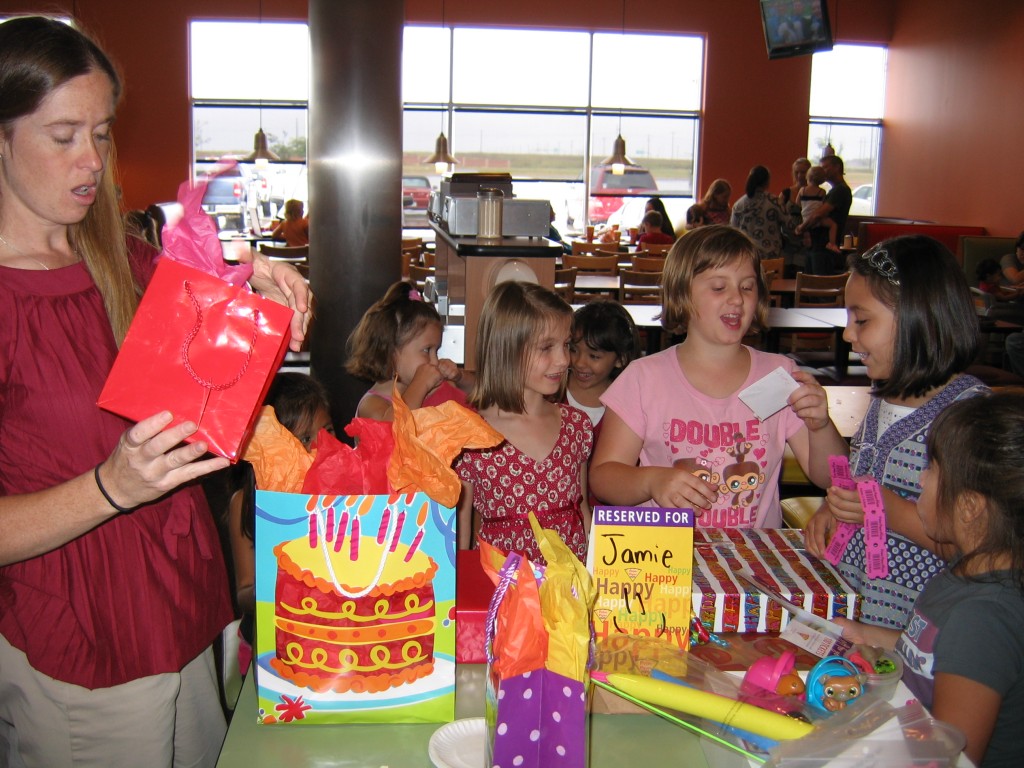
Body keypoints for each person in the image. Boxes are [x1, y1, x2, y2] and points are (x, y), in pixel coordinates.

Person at [0, 15, 312, 768]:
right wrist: (109, 487)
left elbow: (208, 388)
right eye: (64, 135)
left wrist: (257, 292)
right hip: (81, 643)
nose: (93, 162)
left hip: (183, 607)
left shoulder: (120, 257)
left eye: (101, 134)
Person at [589, 225, 846, 528]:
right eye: (719, 287)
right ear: (682, 293)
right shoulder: (644, 379)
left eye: (747, 287)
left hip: (754, 559)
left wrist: (821, 426)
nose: (737, 299)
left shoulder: (779, 376)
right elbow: (603, 477)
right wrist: (650, 480)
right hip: (667, 561)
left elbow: (831, 477)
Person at [804, 237, 987, 629]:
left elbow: (978, 547)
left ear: (919, 317)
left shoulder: (971, 418)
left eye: (862, 320)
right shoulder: (885, 398)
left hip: (918, 630)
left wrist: (892, 512)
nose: (849, 335)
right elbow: (861, 476)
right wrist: (831, 509)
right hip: (860, 612)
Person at [836, 391, 1024, 768]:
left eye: (932, 468)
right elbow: (930, 652)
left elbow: (949, 757)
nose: (921, 477)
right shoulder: (967, 570)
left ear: (969, 507)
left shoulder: (983, 619)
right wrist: (867, 634)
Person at [455, 281, 592, 563]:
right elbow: (462, 532)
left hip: (569, 590)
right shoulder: (470, 435)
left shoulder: (576, 425)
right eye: (546, 348)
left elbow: (583, 510)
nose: (563, 360)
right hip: (503, 587)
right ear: (506, 349)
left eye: (566, 345)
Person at [225, 372, 334, 676]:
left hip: (331, 644)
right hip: (271, 649)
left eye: (327, 430)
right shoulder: (246, 503)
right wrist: (283, 585)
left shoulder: (347, 497)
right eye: (303, 439)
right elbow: (244, 591)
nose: (319, 446)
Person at [345, 280, 469, 420]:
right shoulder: (371, 404)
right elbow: (394, 429)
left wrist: (457, 378)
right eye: (427, 350)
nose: (434, 361)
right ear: (391, 352)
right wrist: (421, 385)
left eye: (437, 351)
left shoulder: (423, 393)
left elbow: (480, 394)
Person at [566, 300, 641, 431]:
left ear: (621, 359)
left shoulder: (626, 405)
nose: (579, 363)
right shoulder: (553, 393)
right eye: (573, 350)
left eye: (594, 356)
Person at [801, 155, 852, 274]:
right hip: (817, 246)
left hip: (823, 248)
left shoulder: (841, 190)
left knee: (819, 286)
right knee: (809, 285)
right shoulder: (831, 191)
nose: (822, 171)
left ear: (836, 167)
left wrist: (801, 227)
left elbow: (819, 214)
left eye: (825, 167)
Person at [729, 165, 789, 261]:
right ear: (767, 182)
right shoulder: (775, 202)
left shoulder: (739, 204)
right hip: (771, 255)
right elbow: (789, 224)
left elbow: (733, 230)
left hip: (746, 255)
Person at [793, 165, 840, 253]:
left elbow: (797, 203)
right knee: (833, 225)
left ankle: (806, 239)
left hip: (805, 217)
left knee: (807, 233)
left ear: (808, 177)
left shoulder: (802, 190)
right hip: (817, 219)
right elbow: (823, 206)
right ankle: (832, 244)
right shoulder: (821, 192)